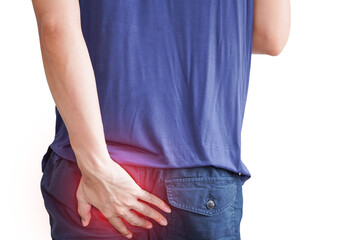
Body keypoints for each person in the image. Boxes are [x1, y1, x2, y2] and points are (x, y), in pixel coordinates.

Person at [32, 0, 290, 239]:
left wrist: (95, 168)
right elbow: (269, 35)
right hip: (200, 174)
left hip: (94, 170)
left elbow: (56, 27)